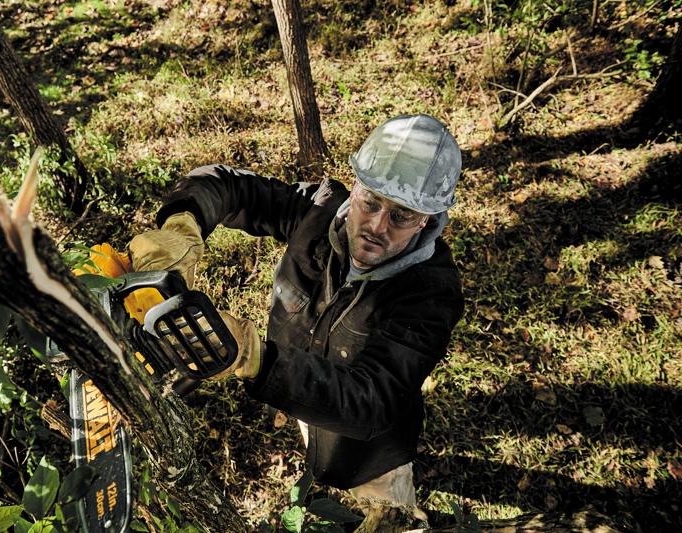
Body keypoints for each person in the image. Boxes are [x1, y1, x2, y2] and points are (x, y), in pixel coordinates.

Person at [129, 114, 465, 530]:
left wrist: (256, 359)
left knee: (387, 510)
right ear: (355, 186)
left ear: (427, 221)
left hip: (373, 450)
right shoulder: (319, 212)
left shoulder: (430, 293)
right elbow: (230, 185)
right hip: (305, 388)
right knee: (318, 437)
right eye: (372, 202)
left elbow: (371, 402)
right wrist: (183, 223)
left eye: (401, 216)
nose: (377, 226)